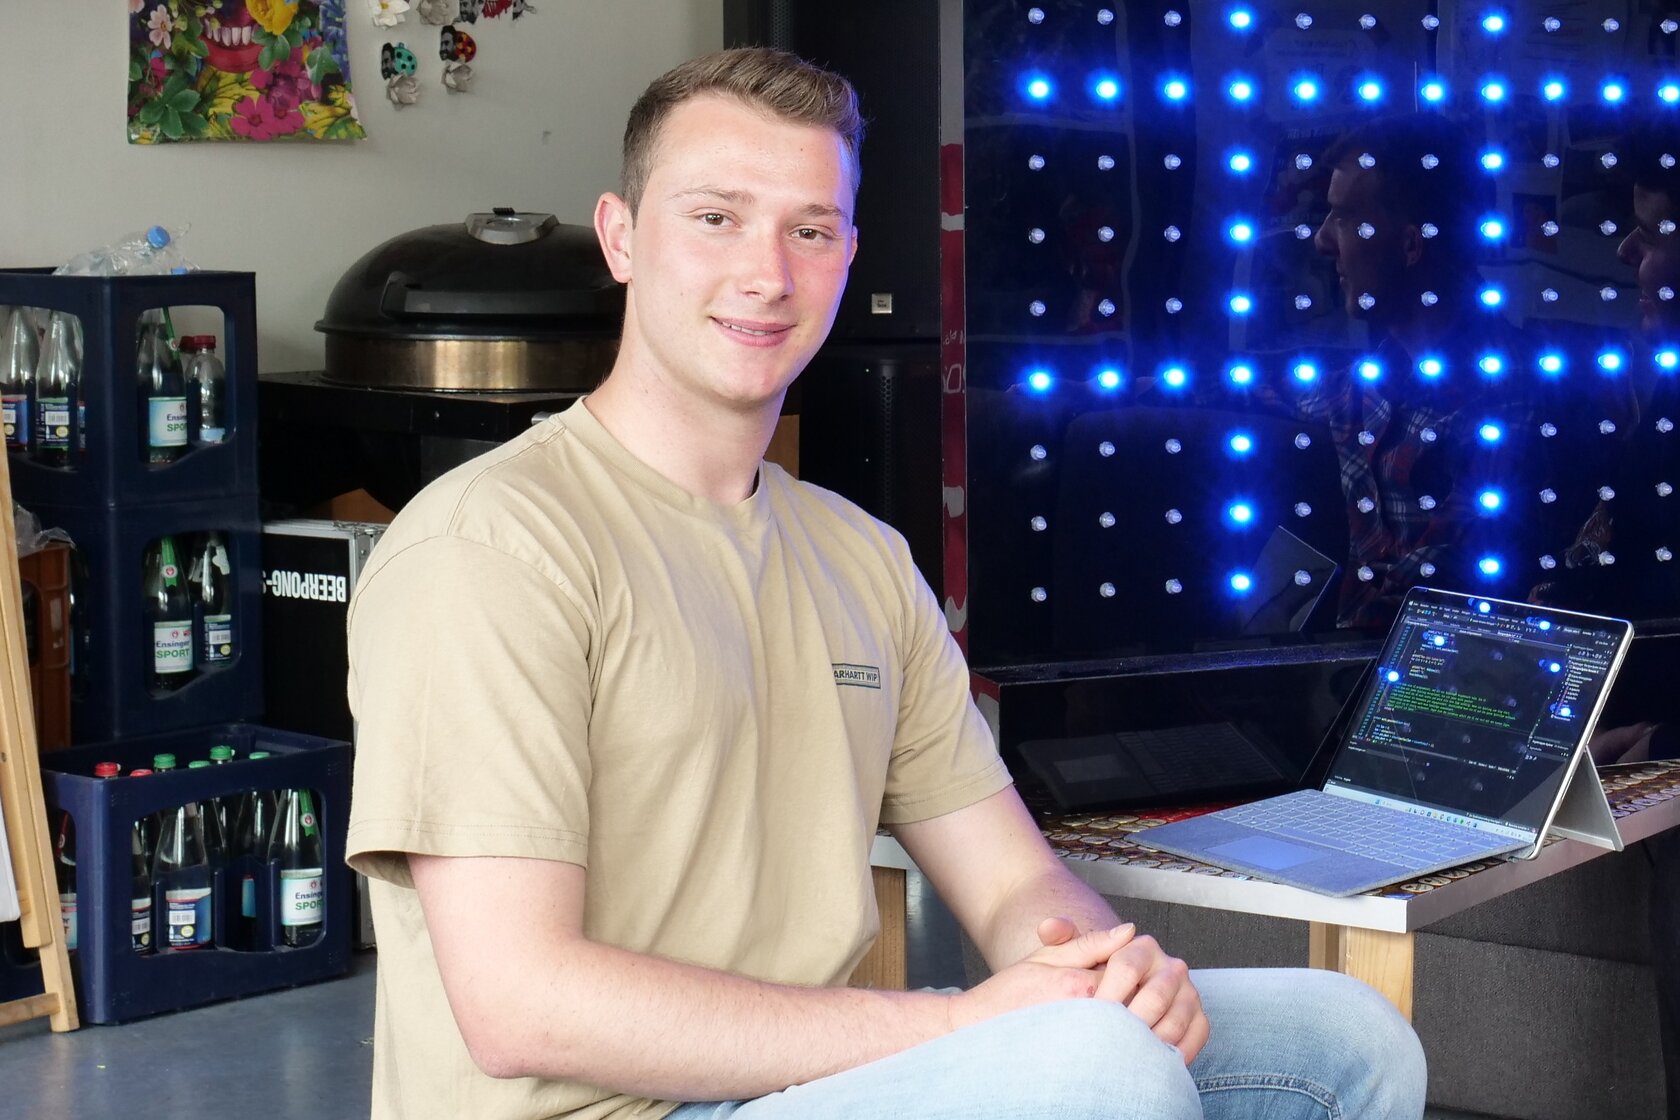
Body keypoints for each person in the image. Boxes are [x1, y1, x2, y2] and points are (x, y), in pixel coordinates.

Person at [345, 47, 1426, 1120]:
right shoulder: (489, 550)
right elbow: (520, 1003)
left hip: (806, 1080)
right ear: (621, 238)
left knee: (1344, 1035)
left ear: (848, 256)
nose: (768, 274)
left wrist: (1102, 972)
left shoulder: (858, 556)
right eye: (716, 217)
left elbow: (1012, 882)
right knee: (1100, 1074)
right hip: (601, 1110)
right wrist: (974, 1028)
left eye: (810, 231)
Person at [1293, 113, 1541, 630]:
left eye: (1344, 218)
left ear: (1411, 245)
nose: (1321, 240)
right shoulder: (1369, 380)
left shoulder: (1508, 404)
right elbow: (1264, 394)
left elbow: (1431, 588)